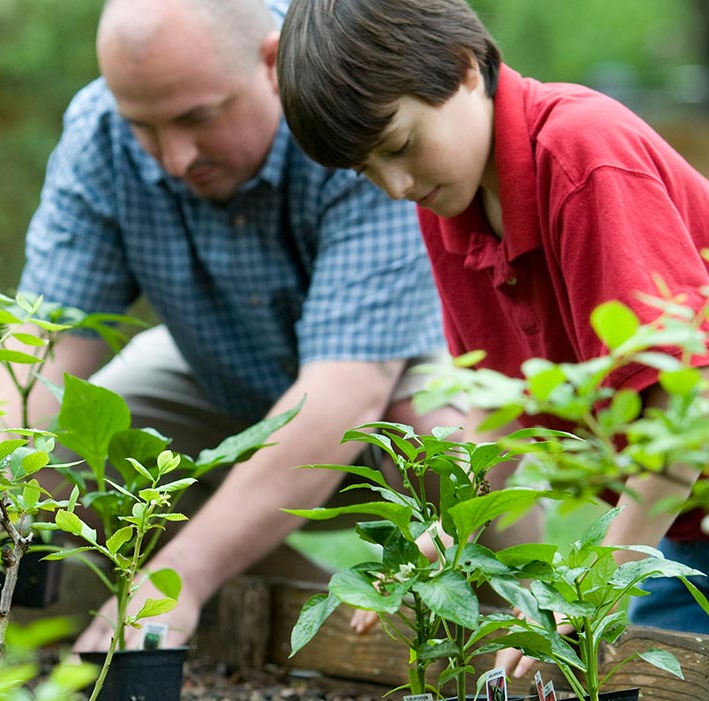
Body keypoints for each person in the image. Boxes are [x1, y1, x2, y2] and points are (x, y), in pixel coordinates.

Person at [3, 0, 465, 652]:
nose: (174, 157)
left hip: (386, 386)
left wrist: (177, 582)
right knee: (72, 439)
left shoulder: (353, 114)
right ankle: (277, 613)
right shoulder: (98, 133)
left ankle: (502, 645)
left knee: (451, 436)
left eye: (197, 118)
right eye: (145, 127)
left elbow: (344, 396)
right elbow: (39, 346)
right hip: (223, 379)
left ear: (272, 61)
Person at [275, 0, 709, 655]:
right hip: (685, 526)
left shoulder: (579, 152)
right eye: (367, 171)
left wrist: (589, 596)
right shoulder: (451, 205)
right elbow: (497, 411)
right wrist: (444, 540)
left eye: (399, 146)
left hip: (678, 488)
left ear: (465, 69)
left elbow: (686, 402)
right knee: (631, 693)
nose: (394, 186)